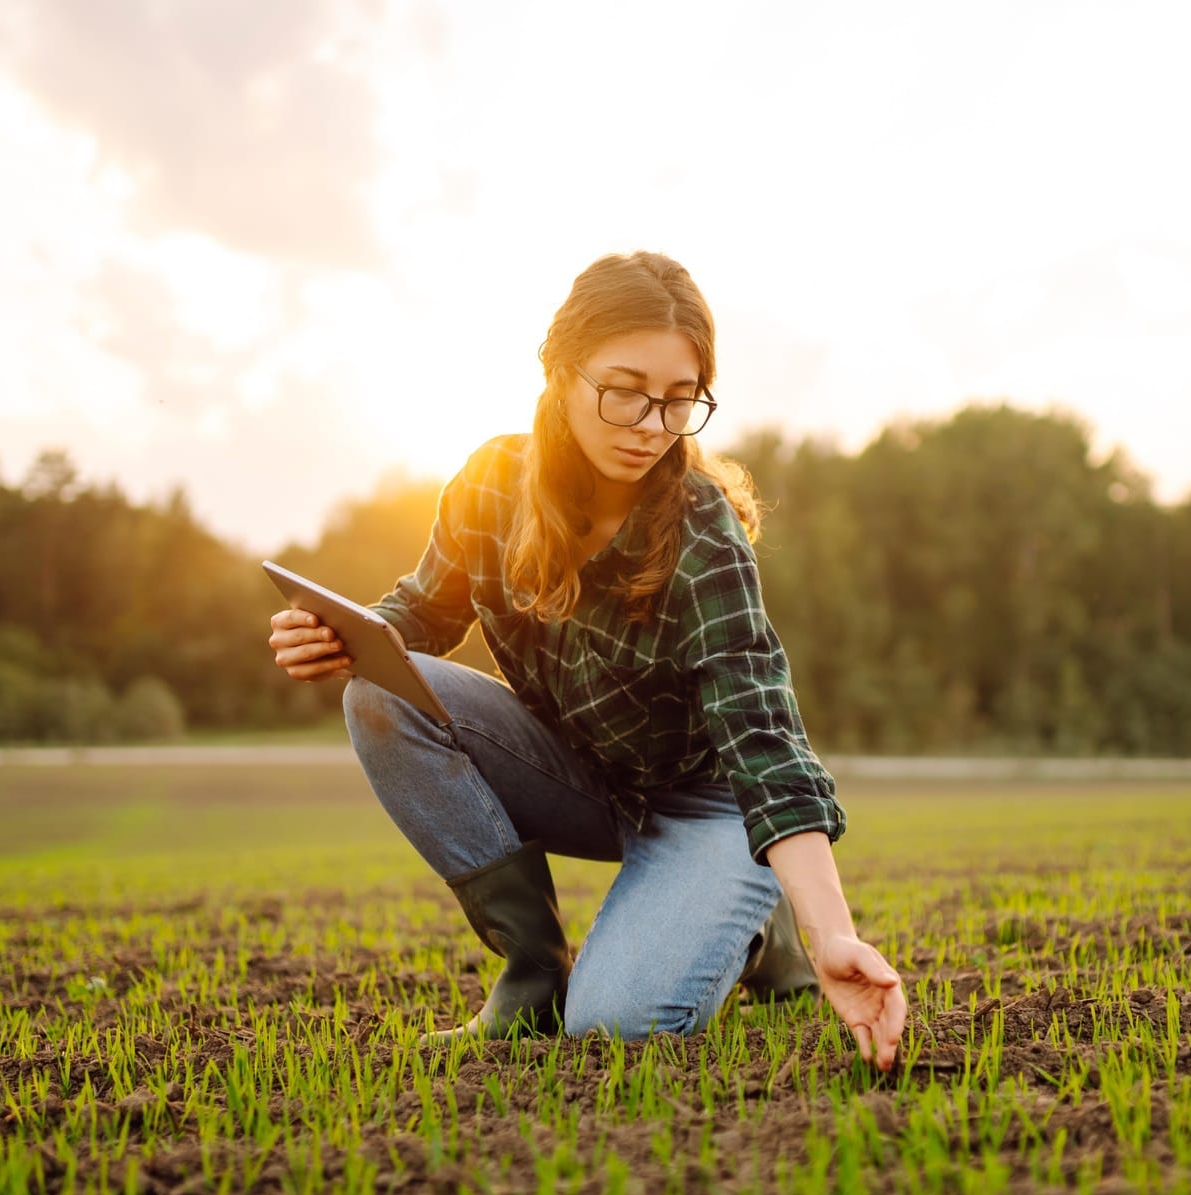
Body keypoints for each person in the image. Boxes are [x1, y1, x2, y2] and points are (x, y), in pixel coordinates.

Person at [267, 251, 905, 1071]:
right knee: (380, 693)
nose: (649, 424)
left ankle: (758, 923)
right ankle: (533, 972)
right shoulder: (490, 483)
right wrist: (335, 635)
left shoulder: (701, 532)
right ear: (558, 372)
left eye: (679, 402)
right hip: (578, 770)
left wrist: (833, 933)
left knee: (616, 1024)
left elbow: (764, 737)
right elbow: (417, 616)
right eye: (624, 388)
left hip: (707, 805)